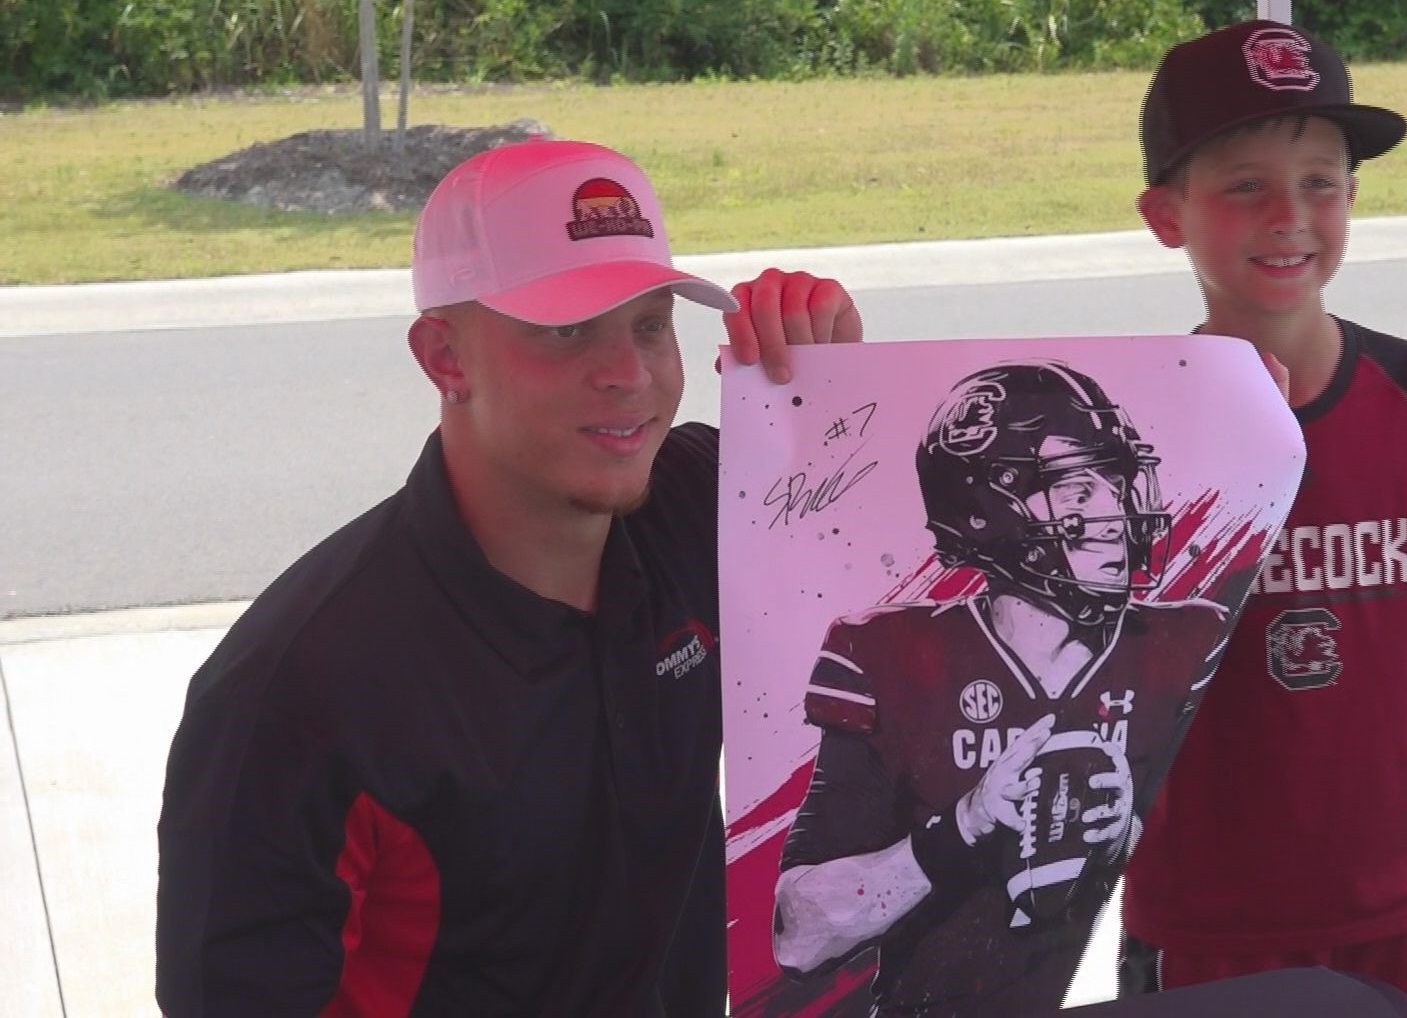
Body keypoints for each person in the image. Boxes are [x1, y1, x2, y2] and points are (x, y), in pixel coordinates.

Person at [154, 136, 861, 1016]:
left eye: (650, 324)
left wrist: (831, 394)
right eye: (566, 331)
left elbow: (910, 591)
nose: (630, 376)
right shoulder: (295, 692)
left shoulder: (706, 511)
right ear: (445, 358)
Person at [1116, 21, 1407, 1018]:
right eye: (1243, 184)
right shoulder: (1130, 429)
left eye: (1322, 182)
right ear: (1166, 215)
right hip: (1200, 924)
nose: (1289, 215)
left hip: (1398, 913)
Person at [766, 361, 1231, 1016]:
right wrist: (968, 824)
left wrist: (1122, 827)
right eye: (1075, 491)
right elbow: (800, 936)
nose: (1115, 512)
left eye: (1118, 480)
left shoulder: (1182, 643)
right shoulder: (896, 658)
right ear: (988, 510)